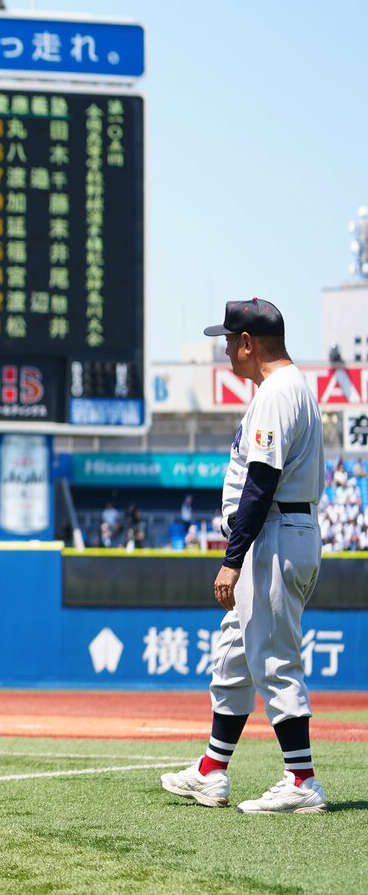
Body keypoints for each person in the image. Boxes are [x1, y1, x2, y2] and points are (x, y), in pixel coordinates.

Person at [161, 299, 327, 814]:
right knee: (234, 658)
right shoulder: (287, 388)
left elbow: (260, 484)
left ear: (249, 343)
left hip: (273, 534)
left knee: (274, 658)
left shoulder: (278, 392)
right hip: (277, 531)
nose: (227, 349)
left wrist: (232, 559)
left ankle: (301, 779)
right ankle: (212, 771)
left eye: (230, 340)